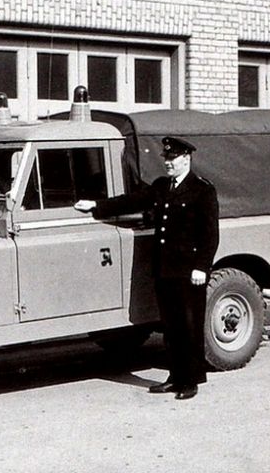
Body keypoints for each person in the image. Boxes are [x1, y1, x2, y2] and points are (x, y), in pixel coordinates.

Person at [74, 136, 219, 400]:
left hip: (188, 271)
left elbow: (210, 235)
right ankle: (174, 377)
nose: (168, 164)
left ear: (186, 159)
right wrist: (97, 205)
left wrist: (201, 267)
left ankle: (191, 380)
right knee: (171, 326)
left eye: (172, 159)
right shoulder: (163, 186)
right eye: (166, 159)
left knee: (189, 325)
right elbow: (133, 201)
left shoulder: (202, 190)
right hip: (165, 269)